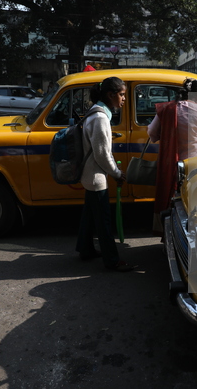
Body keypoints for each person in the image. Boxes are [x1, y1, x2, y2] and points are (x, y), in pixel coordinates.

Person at [147, 78, 197, 234]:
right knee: (190, 205)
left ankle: (167, 234)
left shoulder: (167, 110)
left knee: (170, 200)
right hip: (193, 166)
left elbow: (152, 133)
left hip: (170, 164)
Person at [75, 77, 132, 272]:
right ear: (110, 94)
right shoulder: (100, 118)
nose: (124, 99)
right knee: (103, 222)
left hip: (90, 175)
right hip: (96, 177)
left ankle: (85, 249)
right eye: (122, 94)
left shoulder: (96, 113)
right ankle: (112, 260)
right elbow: (102, 154)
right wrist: (117, 173)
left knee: (90, 214)